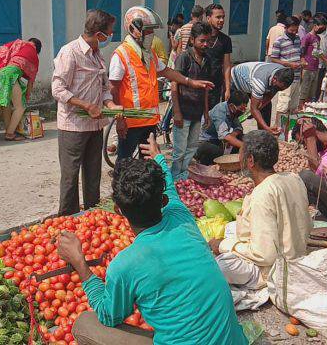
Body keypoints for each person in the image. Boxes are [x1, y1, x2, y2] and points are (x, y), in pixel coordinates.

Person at [58, 134, 247, 345]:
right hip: (235, 340)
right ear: (163, 200)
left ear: (118, 210)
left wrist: (80, 264)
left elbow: (108, 316)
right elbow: (170, 189)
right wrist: (158, 158)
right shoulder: (182, 219)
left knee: (84, 324)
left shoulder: (125, 265)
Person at [207, 130, 311, 304]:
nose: (239, 159)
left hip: (274, 268)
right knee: (232, 227)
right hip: (296, 249)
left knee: (218, 266)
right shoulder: (293, 178)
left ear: (251, 161)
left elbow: (265, 255)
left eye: (241, 155)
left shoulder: (262, 194)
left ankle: (254, 282)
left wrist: (223, 245)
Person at [109, 6, 213, 160]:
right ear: (134, 30)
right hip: (131, 122)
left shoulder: (149, 53)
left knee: (147, 163)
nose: (152, 34)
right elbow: (113, 90)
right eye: (149, 30)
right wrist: (119, 120)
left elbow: (166, 72)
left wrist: (190, 82)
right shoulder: (121, 54)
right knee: (124, 163)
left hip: (149, 120)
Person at [51, 9, 122, 216]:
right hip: (73, 125)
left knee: (93, 175)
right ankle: (66, 219)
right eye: (109, 33)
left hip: (95, 125)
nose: (110, 36)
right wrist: (86, 106)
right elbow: (57, 89)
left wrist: (110, 105)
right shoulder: (70, 52)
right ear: (98, 33)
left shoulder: (97, 54)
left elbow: (103, 87)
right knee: (70, 177)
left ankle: (92, 216)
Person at [170, 22, 212, 180]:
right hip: (183, 110)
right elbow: (174, 83)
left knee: (192, 147)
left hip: (197, 111)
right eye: (202, 41)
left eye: (207, 41)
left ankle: (184, 178)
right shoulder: (184, 57)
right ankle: (174, 180)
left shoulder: (207, 59)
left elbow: (205, 87)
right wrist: (177, 111)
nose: (205, 44)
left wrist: (206, 113)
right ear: (193, 40)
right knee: (179, 150)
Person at [0, 38, 41, 141]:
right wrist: (27, 96)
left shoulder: (17, 45)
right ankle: (10, 133)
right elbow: (30, 82)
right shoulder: (33, 54)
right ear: (37, 49)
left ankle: (9, 130)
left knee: (6, 105)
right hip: (9, 75)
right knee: (20, 106)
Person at [229, 62, 294, 134]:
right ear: (274, 79)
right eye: (277, 88)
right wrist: (266, 127)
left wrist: (257, 110)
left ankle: (263, 135)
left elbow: (270, 94)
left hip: (251, 81)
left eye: (281, 89)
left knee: (266, 106)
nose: (277, 90)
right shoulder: (260, 82)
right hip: (235, 80)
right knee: (235, 111)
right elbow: (254, 109)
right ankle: (232, 137)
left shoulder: (281, 73)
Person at [195, 92, 249, 165]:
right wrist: (243, 146)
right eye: (241, 109)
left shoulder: (232, 111)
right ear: (232, 106)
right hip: (204, 140)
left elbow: (238, 127)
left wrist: (233, 135)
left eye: (244, 108)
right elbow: (224, 135)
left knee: (243, 138)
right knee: (217, 152)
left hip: (217, 138)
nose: (243, 111)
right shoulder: (220, 112)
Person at [270, 16, 305, 119]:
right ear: (286, 28)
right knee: (283, 105)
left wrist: (302, 60)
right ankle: (278, 128)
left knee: (293, 106)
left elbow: (300, 54)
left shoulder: (298, 39)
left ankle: (289, 130)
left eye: (296, 30)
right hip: (285, 78)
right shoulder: (279, 41)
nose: (294, 32)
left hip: (297, 77)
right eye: (291, 30)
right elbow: (274, 59)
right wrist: (290, 65)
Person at [204, 3, 233, 106]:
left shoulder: (226, 40)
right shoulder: (200, 38)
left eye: (223, 17)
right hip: (199, 86)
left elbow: (226, 65)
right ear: (208, 18)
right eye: (218, 17)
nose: (221, 20)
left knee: (212, 117)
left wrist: (227, 89)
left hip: (215, 87)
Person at [300, 16, 327, 107]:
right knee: (304, 90)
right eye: (321, 28)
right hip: (307, 67)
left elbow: (317, 51)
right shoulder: (307, 37)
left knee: (312, 91)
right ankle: (301, 107)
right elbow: (302, 51)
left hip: (315, 67)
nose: (322, 30)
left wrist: (325, 60)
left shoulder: (318, 38)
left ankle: (307, 108)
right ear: (315, 26)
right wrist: (303, 61)